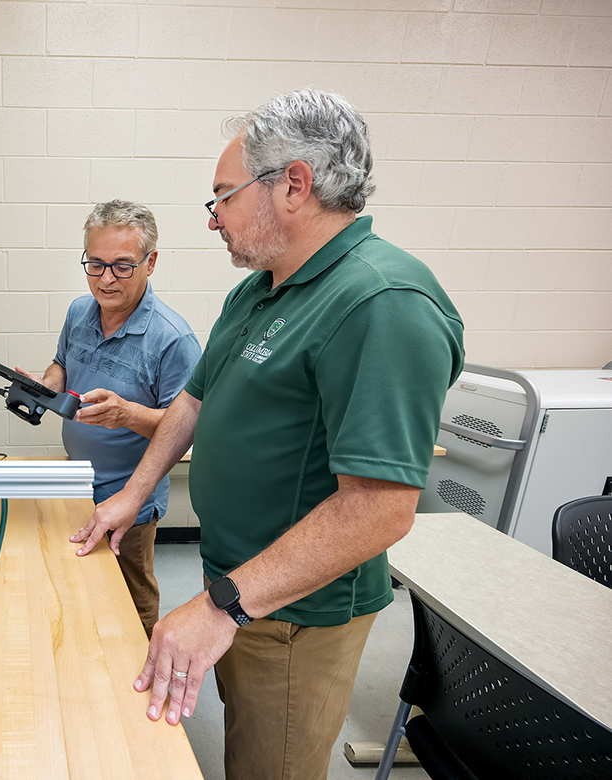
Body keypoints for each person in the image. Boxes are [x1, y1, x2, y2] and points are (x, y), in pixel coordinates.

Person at [72, 89, 465, 779]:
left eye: (223, 196)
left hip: (293, 614)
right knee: (244, 746)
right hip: (238, 585)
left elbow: (380, 506)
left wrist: (223, 606)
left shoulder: (381, 302)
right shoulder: (260, 290)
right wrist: (134, 494)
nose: (214, 218)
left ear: (293, 184)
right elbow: (194, 401)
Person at [16, 200, 200, 638]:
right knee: (85, 585)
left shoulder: (173, 340)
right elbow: (61, 363)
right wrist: (49, 385)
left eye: (121, 266)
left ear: (150, 262)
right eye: (95, 265)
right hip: (75, 483)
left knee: (132, 595)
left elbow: (187, 430)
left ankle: (141, 669)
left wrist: (128, 414)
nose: (106, 280)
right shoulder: (79, 312)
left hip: (129, 501)